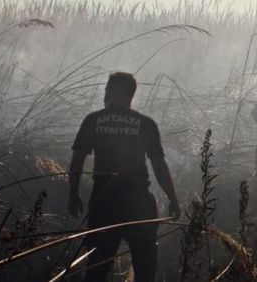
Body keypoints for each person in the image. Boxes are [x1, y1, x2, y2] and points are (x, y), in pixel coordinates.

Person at [68, 72, 180, 282]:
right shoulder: (145, 124)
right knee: (145, 264)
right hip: (138, 202)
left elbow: (77, 162)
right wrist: (173, 199)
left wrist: (73, 195)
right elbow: (159, 165)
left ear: (112, 91)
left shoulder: (93, 121)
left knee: (97, 264)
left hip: (104, 202)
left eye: (106, 89)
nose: (104, 94)